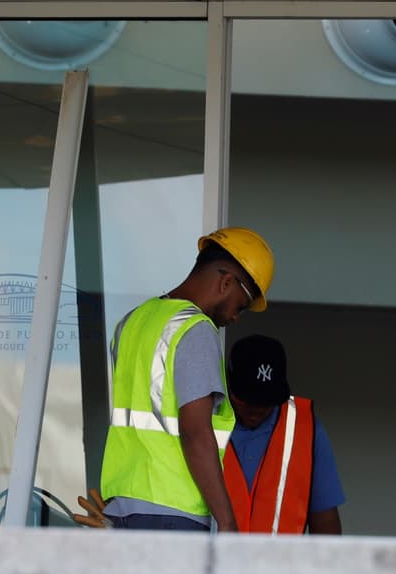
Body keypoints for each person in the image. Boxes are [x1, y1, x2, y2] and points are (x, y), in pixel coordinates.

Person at [100, 226, 275, 532]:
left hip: (119, 507)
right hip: (172, 515)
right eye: (241, 305)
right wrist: (228, 521)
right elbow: (196, 434)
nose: (235, 317)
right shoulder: (195, 329)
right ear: (226, 282)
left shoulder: (132, 321)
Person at [223, 335, 344, 535]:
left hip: (280, 565)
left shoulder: (306, 429)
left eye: (266, 400)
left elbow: (325, 522)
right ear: (229, 384)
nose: (257, 408)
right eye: (248, 398)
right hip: (210, 563)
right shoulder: (203, 420)